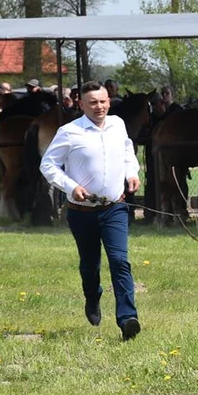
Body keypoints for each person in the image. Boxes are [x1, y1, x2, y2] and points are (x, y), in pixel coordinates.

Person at [39, 80, 142, 341]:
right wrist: (70, 186)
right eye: (93, 102)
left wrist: (132, 173)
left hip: (115, 207)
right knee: (90, 265)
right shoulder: (69, 131)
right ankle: (92, 296)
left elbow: (128, 150)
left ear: (109, 101)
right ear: (81, 104)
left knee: (120, 261)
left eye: (103, 101)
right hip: (81, 211)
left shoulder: (118, 124)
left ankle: (127, 318)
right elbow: (48, 165)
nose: (99, 107)